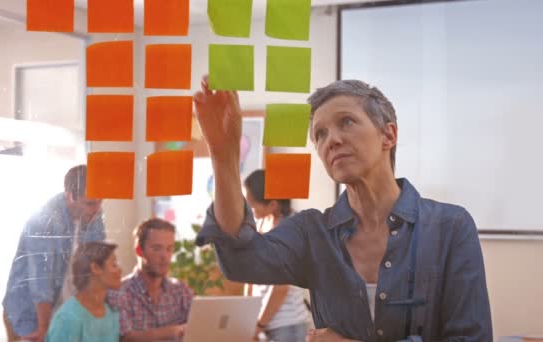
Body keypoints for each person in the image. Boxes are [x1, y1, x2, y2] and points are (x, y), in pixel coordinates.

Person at [193, 76, 492, 341]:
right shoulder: (312, 232)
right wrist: (223, 154)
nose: (332, 140)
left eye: (346, 122)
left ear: (388, 135)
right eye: (320, 134)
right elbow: (241, 259)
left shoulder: (450, 227)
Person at [2, 165, 105, 341]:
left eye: (100, 201)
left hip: (64, 310)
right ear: (70, 196)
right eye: (90, 203)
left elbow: (96, 264)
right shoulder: (44, 220)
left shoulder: (93, 215)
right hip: (29, 312)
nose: (96, 209)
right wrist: (44, 328)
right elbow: (40, 281)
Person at [243, 169, 311, 342]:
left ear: (272, 204)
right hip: (265, 323)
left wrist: (259, 324)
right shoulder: (261, 223)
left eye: (252, 205)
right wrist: (248, 318)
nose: (249, 210)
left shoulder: (289, 231)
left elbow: (280, 287)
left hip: (288, 327)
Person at [108, 218, 193, 342]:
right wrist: (174, 331)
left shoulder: (180, 290)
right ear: (139, 250)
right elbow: (126, 337)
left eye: (169, 249)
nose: (164, 256)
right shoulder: (119, 292)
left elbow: (200, 326)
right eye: (157, 248)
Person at [45, 241, 121, 341]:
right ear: (95, 268)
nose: (120, 270)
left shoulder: (111, 312)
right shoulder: (68, 318)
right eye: (114, 264)